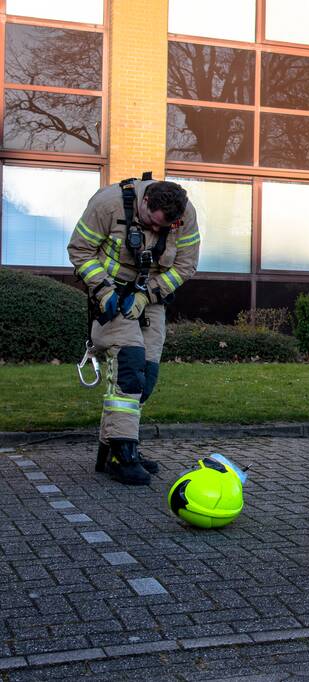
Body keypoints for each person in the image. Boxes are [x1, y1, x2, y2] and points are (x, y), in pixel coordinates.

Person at [67, 177, 200, 486]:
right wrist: (102, 290)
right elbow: (80, 250)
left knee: (146, 377)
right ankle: (123, 455)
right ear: (144, 202)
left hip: (148, 298)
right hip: (110, 296)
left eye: (163, 229)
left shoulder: (185, 216)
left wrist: (147, 294)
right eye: (151, 224)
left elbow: (185, 266)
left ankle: (112, 447)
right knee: (129, 365)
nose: (156, 232)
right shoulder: (107, 204)